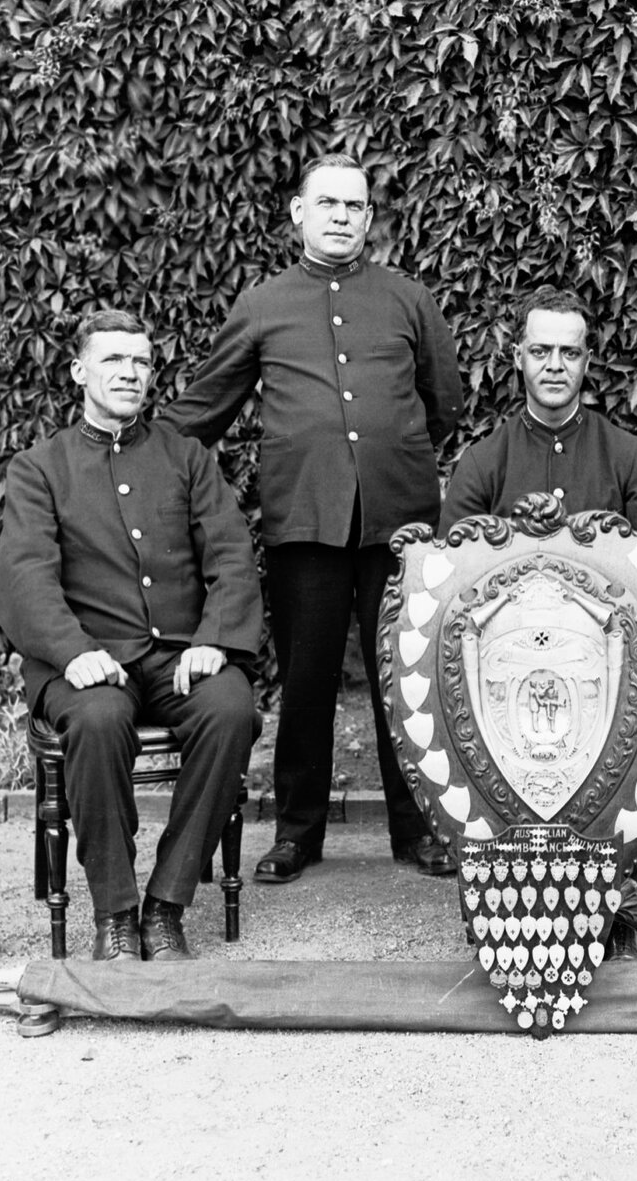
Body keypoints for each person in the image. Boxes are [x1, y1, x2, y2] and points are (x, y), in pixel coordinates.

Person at [160, 152, 465, 882]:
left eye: (353, 206)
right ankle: (298, 833)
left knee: (409, 678)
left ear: (368, 218)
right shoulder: (263, 304)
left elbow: (444, 400)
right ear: (298, 212)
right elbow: (206, 406)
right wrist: (136, 456)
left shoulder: (406, 299)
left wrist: (397, 455)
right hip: (303, 523)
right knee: (306, 683)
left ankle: (417, 828)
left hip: (402, 528)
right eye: (325, 203)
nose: (340, 217)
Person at [0, 308, 263, 963]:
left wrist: (214, 640)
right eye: (113, 359)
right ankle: (115, 913)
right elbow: (26, 581)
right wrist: (74, 654)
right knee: (97, 720)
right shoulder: (40, 468)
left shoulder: (187, 459)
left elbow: (231, 555)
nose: (129, 372)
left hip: (176, 658)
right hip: (87, 664)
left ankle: (167, 904)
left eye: (141, 361)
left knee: (231, 710)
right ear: (79, 370)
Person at [439, 286, 637, 530]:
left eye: (570, 353)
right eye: (540, 352)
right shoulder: (481, 463)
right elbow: (456, 563)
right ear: (519, 357)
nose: (555, 365)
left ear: (587, 361)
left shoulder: (630, 457)